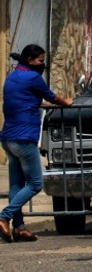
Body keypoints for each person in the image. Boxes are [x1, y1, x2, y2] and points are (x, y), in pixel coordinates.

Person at [0, 44, 73, 243]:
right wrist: (65, 102)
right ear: (31, 60)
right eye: (40, 60)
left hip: (8, 138)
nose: (43, 64)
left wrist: (41, 104)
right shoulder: (33, 78)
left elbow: (24, 99)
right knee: (35, 184)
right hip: (24, 138)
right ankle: (4, 217)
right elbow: (53, 96)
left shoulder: (13, 76)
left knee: (17, 183)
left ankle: (20, 227)